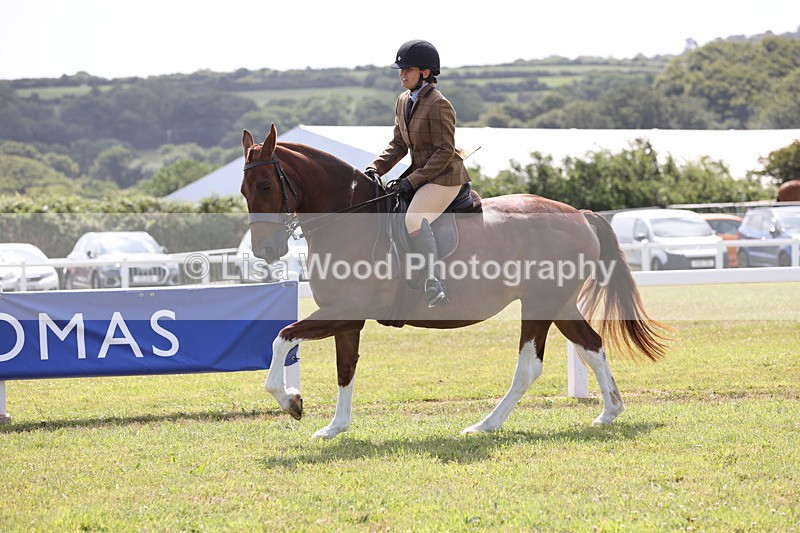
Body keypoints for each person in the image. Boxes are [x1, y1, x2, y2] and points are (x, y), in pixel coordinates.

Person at [365, 39, 471, 308]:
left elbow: (444, 151)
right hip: (423, 174)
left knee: (414, 218)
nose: (402, 74)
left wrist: (410, 181)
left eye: (407, 70)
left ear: (425, 72)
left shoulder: (439, 104)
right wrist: (375, 167)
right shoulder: (403, 101)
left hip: (446, 176)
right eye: (400, 70)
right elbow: (399, 144)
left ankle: (435, 282)